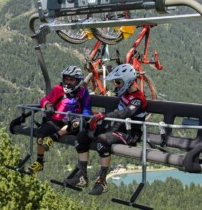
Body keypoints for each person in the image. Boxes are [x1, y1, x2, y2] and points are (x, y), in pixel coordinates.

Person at [64, 64, 147, 195]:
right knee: (82, 137)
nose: (117, 85)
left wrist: (104, 116)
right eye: (116, 82)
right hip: (117, 128)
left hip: (130, 134)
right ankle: (82, 176)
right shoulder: (125, 94)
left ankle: (102, 181)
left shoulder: (138, 99)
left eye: (119, 82)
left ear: (129, 81)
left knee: (102, 140)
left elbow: (124, 113)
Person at [28, 65, 92, 174]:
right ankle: (39, 162)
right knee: (40, 133)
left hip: (74, 122)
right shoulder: (58, 89)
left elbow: (87, 110)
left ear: (77, 81)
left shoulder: (83, 93)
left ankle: (53, 138)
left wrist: (83, 118)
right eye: (66, 79)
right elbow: (45, 100)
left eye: (71, 80)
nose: (68, 82)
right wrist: (48, 105)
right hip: (57, 121)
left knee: (76, 123)